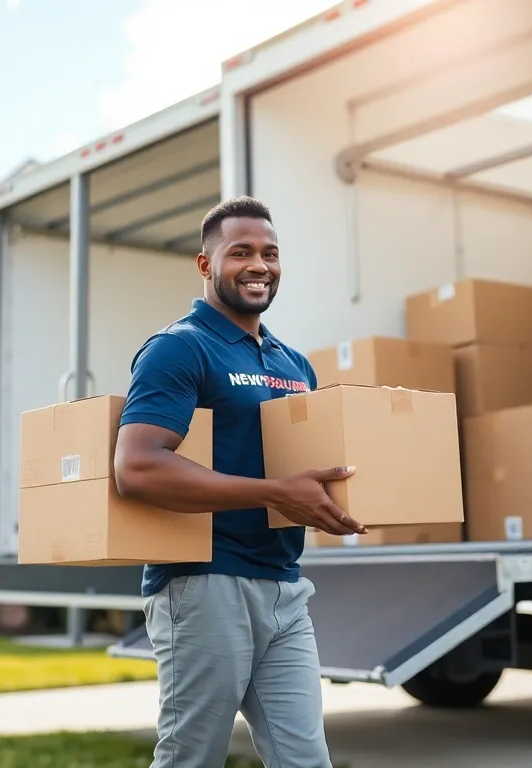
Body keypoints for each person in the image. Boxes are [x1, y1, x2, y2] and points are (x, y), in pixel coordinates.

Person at [113, 195, 366, 768]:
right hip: (203, 586)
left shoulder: (293, 364)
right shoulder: (179, 348)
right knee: (191, 759)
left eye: (271, 253)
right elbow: (138, 467)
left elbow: (302, 468)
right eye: (241, 252)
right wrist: (275, 493)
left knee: (306, 761)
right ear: (206, 265)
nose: (260, 265)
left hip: (284, 587)